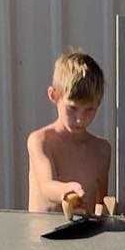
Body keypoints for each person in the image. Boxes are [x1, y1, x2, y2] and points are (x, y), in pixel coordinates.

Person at [27, 51, 111, 215]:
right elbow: (46, 186)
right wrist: (66, 191)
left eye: (89, 110)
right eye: (72, 108)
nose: (80, 119)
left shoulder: (102, 150)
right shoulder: (41, 140)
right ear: (54, 95)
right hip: (43, 237)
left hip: (85, 237)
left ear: (99, 104)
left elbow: (102, 204)